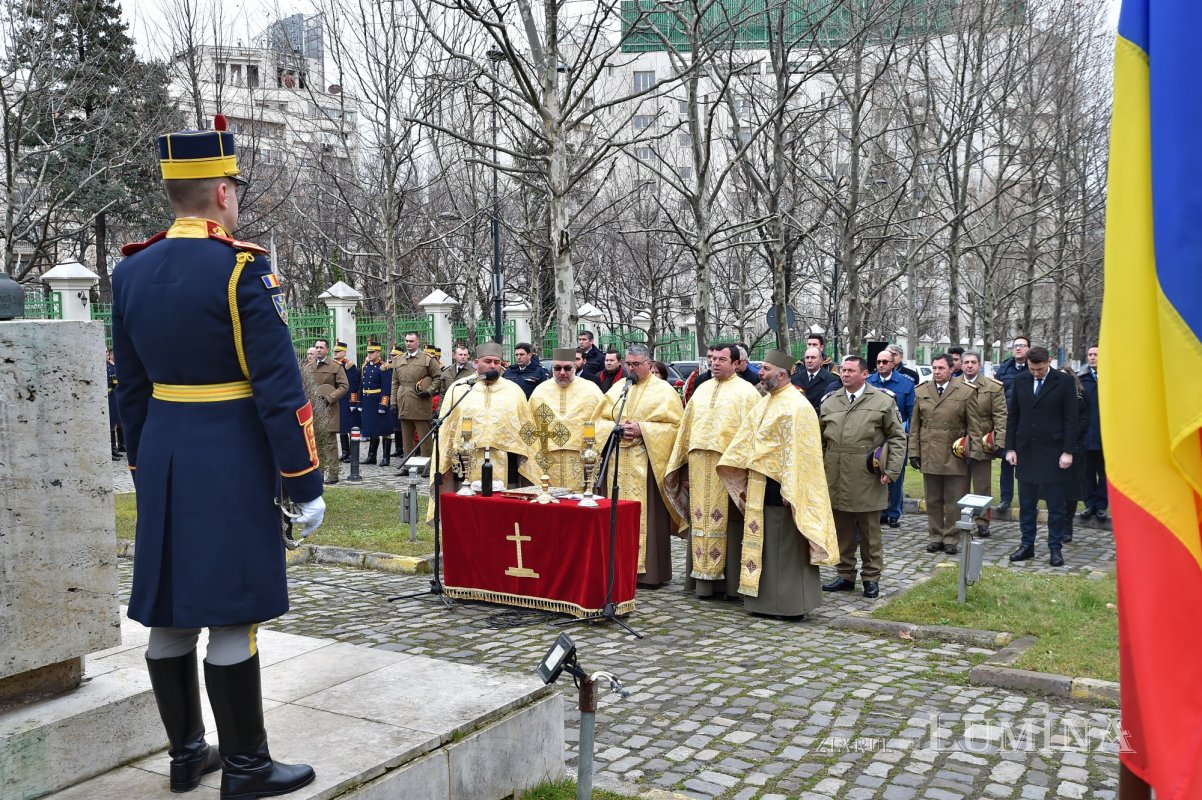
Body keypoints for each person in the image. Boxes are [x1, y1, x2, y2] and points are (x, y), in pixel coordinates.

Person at [112, 115, 323, 798]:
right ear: (223, 194)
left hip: (165, 454)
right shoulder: (241, 270)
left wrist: (146, 466)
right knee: (232, 611)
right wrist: (303, 478)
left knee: (172, 611)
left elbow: (133, 388)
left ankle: (185, 756)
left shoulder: (131, 271)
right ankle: (247, 768)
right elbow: (279, 388)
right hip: (229, 455)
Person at [716, 350, 839, 617]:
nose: (760, 373)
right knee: (764, 546)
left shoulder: (798, 406)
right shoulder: (765, 402)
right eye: (761, 369)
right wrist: (745, 476)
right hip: (760, 484)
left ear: (781, 374)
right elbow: (748, 441)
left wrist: (791, 488)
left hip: (784, 489)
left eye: (766, 369)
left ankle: (789, 604)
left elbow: (802, 454)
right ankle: (762, 602)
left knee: (784, 548)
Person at [665, 343, 763, 599]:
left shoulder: (747, 393)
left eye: (722, 359)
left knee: (726, 522)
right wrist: (683, 469)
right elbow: (686, 432)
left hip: (727, 468)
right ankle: (702, 583)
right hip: (698, 466)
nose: (716, 364)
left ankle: (728, 585)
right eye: (713, 359)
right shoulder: (701, 390)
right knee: (701, 519)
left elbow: (751, 436)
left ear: (735, 363)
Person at [593, 344, 685, 586]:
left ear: (649, 364)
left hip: (646, 465)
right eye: (628, 364)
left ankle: (649, 573)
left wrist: (642, 429)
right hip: (617, 462)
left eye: (636, 364)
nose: (631, 369)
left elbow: (675, 427)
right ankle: (616, 567)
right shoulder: (619, 389)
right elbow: (598, 420)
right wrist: (616, 429)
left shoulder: (664, 391)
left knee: (647, 518)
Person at [819, 356, 907, 599]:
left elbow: (898, 437)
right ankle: (845, 574)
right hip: (835, 472)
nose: (845, 375)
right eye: (843, 371)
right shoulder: (830, 401)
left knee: (870, 531)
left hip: (868, 474)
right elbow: (819, 439)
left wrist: (891, 471)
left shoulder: (882, 401)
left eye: (850, 371)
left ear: (864, 374)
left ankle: (871, 577)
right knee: (842, 528)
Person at [1005, 346, 1079, 567]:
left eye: (1039, 369)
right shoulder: (1020, 380)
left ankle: (1055, 548)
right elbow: (1013, 416)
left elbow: (1071, 419)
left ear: (1049, 361)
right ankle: (1027, 545)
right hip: (1026, 451)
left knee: (1056, 506)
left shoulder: (1063, 382)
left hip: (1054, 452)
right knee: (1027, 505)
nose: (1035, 373)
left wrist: (1068, 451)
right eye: (1032, 369)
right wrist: (1010, 448)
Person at [434, 342, 535, 494]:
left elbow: (527, 429)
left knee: (504, 507)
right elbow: (447, 428)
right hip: (467, 458)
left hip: (507, 459)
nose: (493, 366)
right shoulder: (460, 388)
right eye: (487, 362)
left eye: (497, 362)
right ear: (476, 363)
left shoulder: (514, 391)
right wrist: (444, 460)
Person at [909, 354, 974, 555]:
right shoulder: (922, 391)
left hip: (954, 451)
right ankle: (935, 536)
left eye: (941, 368)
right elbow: (915, 426)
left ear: (951, 369)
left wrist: (971, 450)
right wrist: (914, 451)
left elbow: (974, 425)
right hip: (929, 450)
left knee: (953, 499)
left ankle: (951, 538)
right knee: (933, 498)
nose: (937, 372)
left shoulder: (965, 391)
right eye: (934, 368)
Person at [522, 347, 604, 490]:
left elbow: (603, 423)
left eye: (567, 368)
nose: (562, 373)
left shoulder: (591, 390)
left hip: (580, 459)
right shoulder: (540, 391)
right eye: (557, 368)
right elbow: (529, 426)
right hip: (547, 459)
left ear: (575, 366)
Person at [956, 351, 1008, 537]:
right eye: (966, 362)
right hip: (958, 443)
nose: (969, 366)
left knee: (982, 485)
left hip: (982, 441)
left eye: (973, 362)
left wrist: (999, 440)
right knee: (959, 484)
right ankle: (961, 519)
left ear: (979, 365)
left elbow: (1000, 416)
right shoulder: (953, 386)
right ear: (961, 365)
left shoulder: (992, 387)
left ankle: (982, 522)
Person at [866, 349, 915, 527]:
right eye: (878, 362)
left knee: (895, 475)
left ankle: (894, 512)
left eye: (885, 362)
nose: (881, 365)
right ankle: (878, 510)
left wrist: (904, 429)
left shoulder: (905, 384)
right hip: (874, 437)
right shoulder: (869, 382)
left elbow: (911, 414)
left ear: (893, 363)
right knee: (874, 474)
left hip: (895, 437)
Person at [302, 338, 349, 484]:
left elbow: (344, 386)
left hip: (329, 409)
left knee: (330, 443)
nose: (318, 350)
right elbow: (302, 387)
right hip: (313, 410)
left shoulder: (336, 367)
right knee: (316, 443)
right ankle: (319, 473)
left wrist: (330, 397)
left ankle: (334, 474)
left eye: (322, 347)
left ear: (327, 350)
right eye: (316, 347)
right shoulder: (307, 368)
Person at [992, 336, 1030, 513]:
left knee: (1028, 462)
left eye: (1022, 346)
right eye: (1015, 346)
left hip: (1029, 422)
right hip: (1008, 421)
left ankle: (1029, 500)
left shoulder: (1033, 367)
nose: (1018, 349)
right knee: (1006, 461)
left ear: (1028, 349)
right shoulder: (1004, 368)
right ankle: (1005, 498)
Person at [391, 332, 441, 463]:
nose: (408, 343)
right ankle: (408, 464)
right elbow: (395, 382)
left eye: (411, 341)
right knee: (407, 438)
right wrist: (393, 402)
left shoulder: (427, 359)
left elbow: (438, 377)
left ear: (418, 342)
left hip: (420, 400)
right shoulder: (399, 359)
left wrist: (429, 391)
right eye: (407, 341)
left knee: (425, 438)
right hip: (404, 401)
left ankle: (428, 464)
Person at [1059, 367, 1091, 544]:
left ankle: (1067, 525)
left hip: (1075, 448)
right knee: (1055, 489)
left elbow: (1085, 421)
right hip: (1054, 447)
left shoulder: (1081, 397)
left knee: (1071, 490)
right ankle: (1056, 523)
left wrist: (1069, 438)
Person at [1077, 345, 1107, 521]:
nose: (1093, 357)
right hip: (1087, 433)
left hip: (1104, 435)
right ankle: (1089, 504)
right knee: (1087, 471)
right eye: (1090, 354)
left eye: (1096, 354)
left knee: (1103, 473)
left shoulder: (1111, 378)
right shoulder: (1082, 379)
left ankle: (1102, 505)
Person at [359, 340, 392, 465]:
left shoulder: (384, 367)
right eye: (369, 352)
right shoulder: (365, 366)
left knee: (384, 430)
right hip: (368, 401)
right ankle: (371, 456)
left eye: (372, 352)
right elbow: (362, 386)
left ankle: (385, 458)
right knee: (371, 429)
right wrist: (360, 403)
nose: (370, 354)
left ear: (379, 353)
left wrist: (383, 404)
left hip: (378, 401)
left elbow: (386, 388)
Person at [332, 341, 360, 463]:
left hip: (347, 400)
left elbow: (353, 385)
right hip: (338, 399)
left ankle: (352, 453)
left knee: (349, 427)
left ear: (344, 352)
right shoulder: (333, 365)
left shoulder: (349, 366)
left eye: (338, 351)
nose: (335, 353)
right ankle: (345, 452)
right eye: (334, 351)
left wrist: (353, 402)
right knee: (341, 426)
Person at [106, 348, 125, 460]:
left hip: (115, 394)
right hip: (109, 395)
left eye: (107, 352)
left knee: (118, 420)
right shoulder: (106, 366)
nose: (107, 354)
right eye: (107, 353)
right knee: (112, 421)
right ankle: (113, 447)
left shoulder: (115, 365)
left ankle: (121, 445)